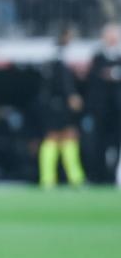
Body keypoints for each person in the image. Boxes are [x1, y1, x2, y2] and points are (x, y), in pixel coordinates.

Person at [38, 29, 86, 189]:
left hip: (53, 104)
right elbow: (62, 82)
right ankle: (54, 179)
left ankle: (67, 178)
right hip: (57, 105)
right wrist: (71, 95)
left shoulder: (55, 56)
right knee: (57, 137)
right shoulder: (58, 57)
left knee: (66, 138)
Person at [86, 23, 121, 184]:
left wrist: (113, 73)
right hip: (101, 110)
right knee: (98, 143)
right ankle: (98, 175)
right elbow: (93, 79)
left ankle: (113, 175)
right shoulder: (98, 57)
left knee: (116, 143)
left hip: (117, 109)